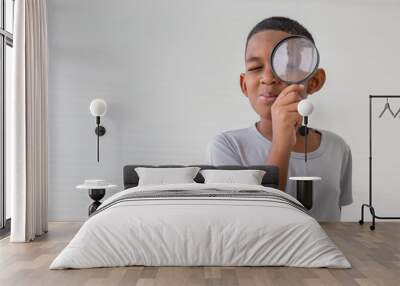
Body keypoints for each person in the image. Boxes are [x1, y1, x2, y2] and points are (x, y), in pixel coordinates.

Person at [206, 16, 352, 221]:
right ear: (244, 85)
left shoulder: (338, 147)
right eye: (256, 68)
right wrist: (281, 143)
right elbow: (251, 222)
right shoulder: (227, 146)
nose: (267, 77)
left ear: (315, 81)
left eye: (285, 65)